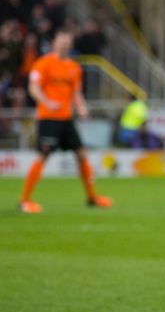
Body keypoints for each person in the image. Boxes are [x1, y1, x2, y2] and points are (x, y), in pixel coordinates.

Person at [18, 28, 113, 213]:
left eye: (67, 42)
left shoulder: (73, 68)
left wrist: (82, 108)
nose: (64, 45)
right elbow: (33, 88)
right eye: (61, 41)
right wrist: (46, 101)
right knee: (43, 155)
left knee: (81, 154)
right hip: (48, 117)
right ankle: (24, 200)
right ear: (54, 43)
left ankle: (92, 197)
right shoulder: (43, 63)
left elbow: (76, 93)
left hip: (66, 118)